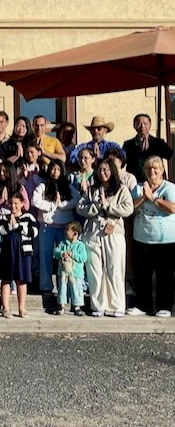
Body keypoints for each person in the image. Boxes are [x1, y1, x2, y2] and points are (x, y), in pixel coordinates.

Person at [77, 158, 134, 317]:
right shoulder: (91, 189)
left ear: (112, 171)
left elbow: (128, 208)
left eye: (106, 170)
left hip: (113, 231)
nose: (103, 173)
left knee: (114, 268)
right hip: (93, 232)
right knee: (95, 270)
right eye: (100, 170)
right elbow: (80, 207)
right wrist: (96, 206)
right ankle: (98, 305)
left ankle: (117, 305)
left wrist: (108, 205)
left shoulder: (121, 189)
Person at [128, 156, 175, 317]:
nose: (152, 171)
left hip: (165, 240)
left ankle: (165, 306)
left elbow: (173, 208)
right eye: (148, 168)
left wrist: (154, 198)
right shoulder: (139, 188)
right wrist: (144, 197)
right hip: (142, 237)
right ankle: (143, 305)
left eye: (155, 168)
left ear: (162, 170)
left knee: (165, 275)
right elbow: (130, 208)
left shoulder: (169, 188)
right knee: (142, 274)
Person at [31, 160, 80, 296]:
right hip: (46, 226)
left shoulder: (67, 186)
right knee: (45, 256)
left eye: (58, 169)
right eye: (53, 169)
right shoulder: (43, 185)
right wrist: (52, 205)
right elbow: (34, 201)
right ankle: (46, 286)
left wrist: (61, 204)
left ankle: (64, 287)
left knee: (64, 257)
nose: (55, 172)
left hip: (64, 226)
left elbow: (77, 200)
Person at [0, 193, 38, 318]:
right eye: (11, 203)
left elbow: (33, 232)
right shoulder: (4, 217)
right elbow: (0, 231)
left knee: (22, 280)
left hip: (23, 252)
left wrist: (18, 227)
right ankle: (6, 308)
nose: (13, 206)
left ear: (21, 204)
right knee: (6, 279)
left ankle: (22, 308)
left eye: (16, 203)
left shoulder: (28, 217)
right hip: (7, 253)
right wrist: (9, 225)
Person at [123, 113, 174, 183]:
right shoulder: (128, 144)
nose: (142, 126)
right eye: (139, 123)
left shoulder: (158, 142)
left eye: (145, 123)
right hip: (135, 181)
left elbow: (169, 155)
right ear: (134, 126)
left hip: (156, 180)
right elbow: (122, 161)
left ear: (150, 125)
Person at [54, 221, 88, 316]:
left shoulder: (80, 245)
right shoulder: (62, 243)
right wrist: (61, 253)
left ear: (75, 233)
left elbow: (83, 258)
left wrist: (72, 254)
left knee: (76, 289)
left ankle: (77, 306)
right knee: (62, 289)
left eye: (67, 230)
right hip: (64, 273)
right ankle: (62, 306)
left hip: (76, 273)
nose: (65, 232)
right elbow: (56, 252)